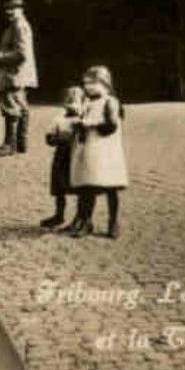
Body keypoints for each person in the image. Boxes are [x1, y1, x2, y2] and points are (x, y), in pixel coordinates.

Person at [68, 64, 128, 239]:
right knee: (87, 187)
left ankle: (113, 221)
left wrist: (91, 124)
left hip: (107, 151)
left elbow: (111, 125)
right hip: (88, 150)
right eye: (86, 83)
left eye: (93, 82)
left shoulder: (111, 101)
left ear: (104, 83)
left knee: (110, 187)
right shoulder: (86, 103)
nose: (88, 86)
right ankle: (86, 221)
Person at [0, 0, 37, 156]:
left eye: (13, 8)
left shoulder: (19, 26)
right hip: (19, 74)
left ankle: (9, 145)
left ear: (21, 9)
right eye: (8, 9)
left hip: (14, 74)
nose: (9, 12)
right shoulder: (18, 25)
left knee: (11, 108)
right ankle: (21, 143)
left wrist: (0, 57)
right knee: (22, 107)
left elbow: (22, 53)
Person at [40, 85, 84, 228]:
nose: (72, 107)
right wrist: (60, 139)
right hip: (62, 155)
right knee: (60, 187)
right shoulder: (59, 119)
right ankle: (59, 215)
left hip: (78, 155)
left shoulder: (84, 119)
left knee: (80, 186)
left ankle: (80, 217)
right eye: (69, 102)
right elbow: (49, 138)